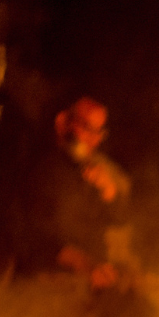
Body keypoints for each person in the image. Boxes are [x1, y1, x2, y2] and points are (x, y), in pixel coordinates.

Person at [22, 96, 131, 290]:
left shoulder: (97, 169)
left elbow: (118, 220)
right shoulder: (42, 170)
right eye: (86, 128)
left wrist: (109, 192)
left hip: (95, 278)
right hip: (50, 283)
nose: (92, 140)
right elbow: (38, 241)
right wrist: (87, 266)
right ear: (63, 122)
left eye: (98, 132)